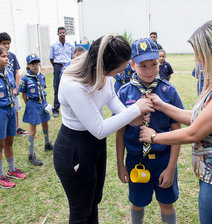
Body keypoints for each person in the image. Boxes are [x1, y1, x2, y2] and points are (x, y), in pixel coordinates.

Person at [139, 20, 212, 224]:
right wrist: (162, 105)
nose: (198, 59)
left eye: (199, 52)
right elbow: (198, 117)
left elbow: (194, 132)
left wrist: (154, 137)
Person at [53, 35, 154, 224]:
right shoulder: (73, 83)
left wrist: (132, 117)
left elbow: (111, 98)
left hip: (95, 146)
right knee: (81, 211)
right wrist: (135, 109)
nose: (118, 74)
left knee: (94, 200)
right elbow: (99, 128)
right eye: (119, 70)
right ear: (104, 66)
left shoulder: (102, 72)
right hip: (75, 148)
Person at [116, 38, 183, 224]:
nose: (149, 70)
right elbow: (119, 132)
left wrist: (170, 168)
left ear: (159, 62)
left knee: (166, 203)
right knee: (137, 204)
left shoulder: (168, 91)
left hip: (163, 159)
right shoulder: (124, 93)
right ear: (131, 65)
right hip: (136, 160)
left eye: (154, 64)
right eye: (142, 65)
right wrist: (121, 164)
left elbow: (176, 131)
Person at [0, 46, 26, 189]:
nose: (7, 58)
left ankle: (12, 169)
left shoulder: (8, 72)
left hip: (10, 111)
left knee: (9, 142)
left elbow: (13, 88)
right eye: (3, 56)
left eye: (7, 56)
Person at [19, 54, 53, 166]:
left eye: (37, 63)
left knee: (45, 124)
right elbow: (23, 94)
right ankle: (31, 155)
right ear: (28, 65)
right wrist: (28, 104)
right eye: (32, 64)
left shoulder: (41, 76)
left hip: (43, 103)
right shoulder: (25, 78)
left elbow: (43, 89)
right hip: (33, 104)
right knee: (32, 130)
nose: (35, 66)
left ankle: (47, 143)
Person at [0, 32, 28, 136]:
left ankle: (16, 128)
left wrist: (16, 88)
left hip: (12, 88)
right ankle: (5, 129)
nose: (6, 46)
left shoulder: (13, 56)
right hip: (1, 89)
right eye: (4, 43)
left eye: (8, 43)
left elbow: (16, 73)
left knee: (16, 108)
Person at [49, 26, 75, 117]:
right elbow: (51, 58)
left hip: (68, 67)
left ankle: (72, 108)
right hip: (58, 66)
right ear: (57, 34)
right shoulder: (53, 46)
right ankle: (56, 110)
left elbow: (72, 57)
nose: (62, 34)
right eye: (60, 33)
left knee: (70, 86)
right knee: (57, 88)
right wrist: (57, 67)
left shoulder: (71, 45)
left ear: (66, 34)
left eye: (63, 32)